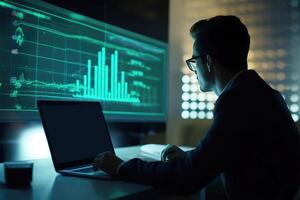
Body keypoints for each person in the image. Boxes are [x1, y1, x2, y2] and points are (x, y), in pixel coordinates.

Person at [93, 15, 300, 200]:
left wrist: (121, 167)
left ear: (208, 61)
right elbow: (234, 155)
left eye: (194, 61)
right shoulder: (262, 93)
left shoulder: (237, 100)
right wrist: (194, 158)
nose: (193, 69)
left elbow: (188, 179)